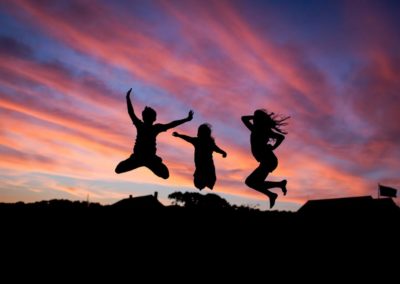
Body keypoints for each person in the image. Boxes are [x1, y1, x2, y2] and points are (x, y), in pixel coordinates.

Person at [115, 88, 193, 179]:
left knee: (165, 175)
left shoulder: (149, 127)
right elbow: (131, 112)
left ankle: (150, 162)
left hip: (149, 158)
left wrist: (127, 98)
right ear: (153, 119)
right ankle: (143, 162)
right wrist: (127, 98)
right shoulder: (144, 126)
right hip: (138, 158)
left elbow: (172, 124)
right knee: (118, 169)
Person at [241, 109, 289, 209]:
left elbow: (244, 118)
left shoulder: (258, 130)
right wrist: (273, 147)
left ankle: (278, 187)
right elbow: (243, 118)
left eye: (256, 117)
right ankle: (273, 193)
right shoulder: (259, 129)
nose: (254, 120)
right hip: (268, 161)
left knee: (250, 182)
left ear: (258, 119)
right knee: (253, 183)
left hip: (269, 161)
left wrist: (273, 147)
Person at [172, 123, 227, 190]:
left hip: (206, 166)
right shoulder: (200, 141)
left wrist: (223, 152)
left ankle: (205, 183)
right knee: (202, 180)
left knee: (207, 178)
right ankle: (204, 183)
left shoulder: (204, 142)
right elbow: (187, 138)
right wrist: (179, 135)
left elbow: (217, 149)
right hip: (203, 166)